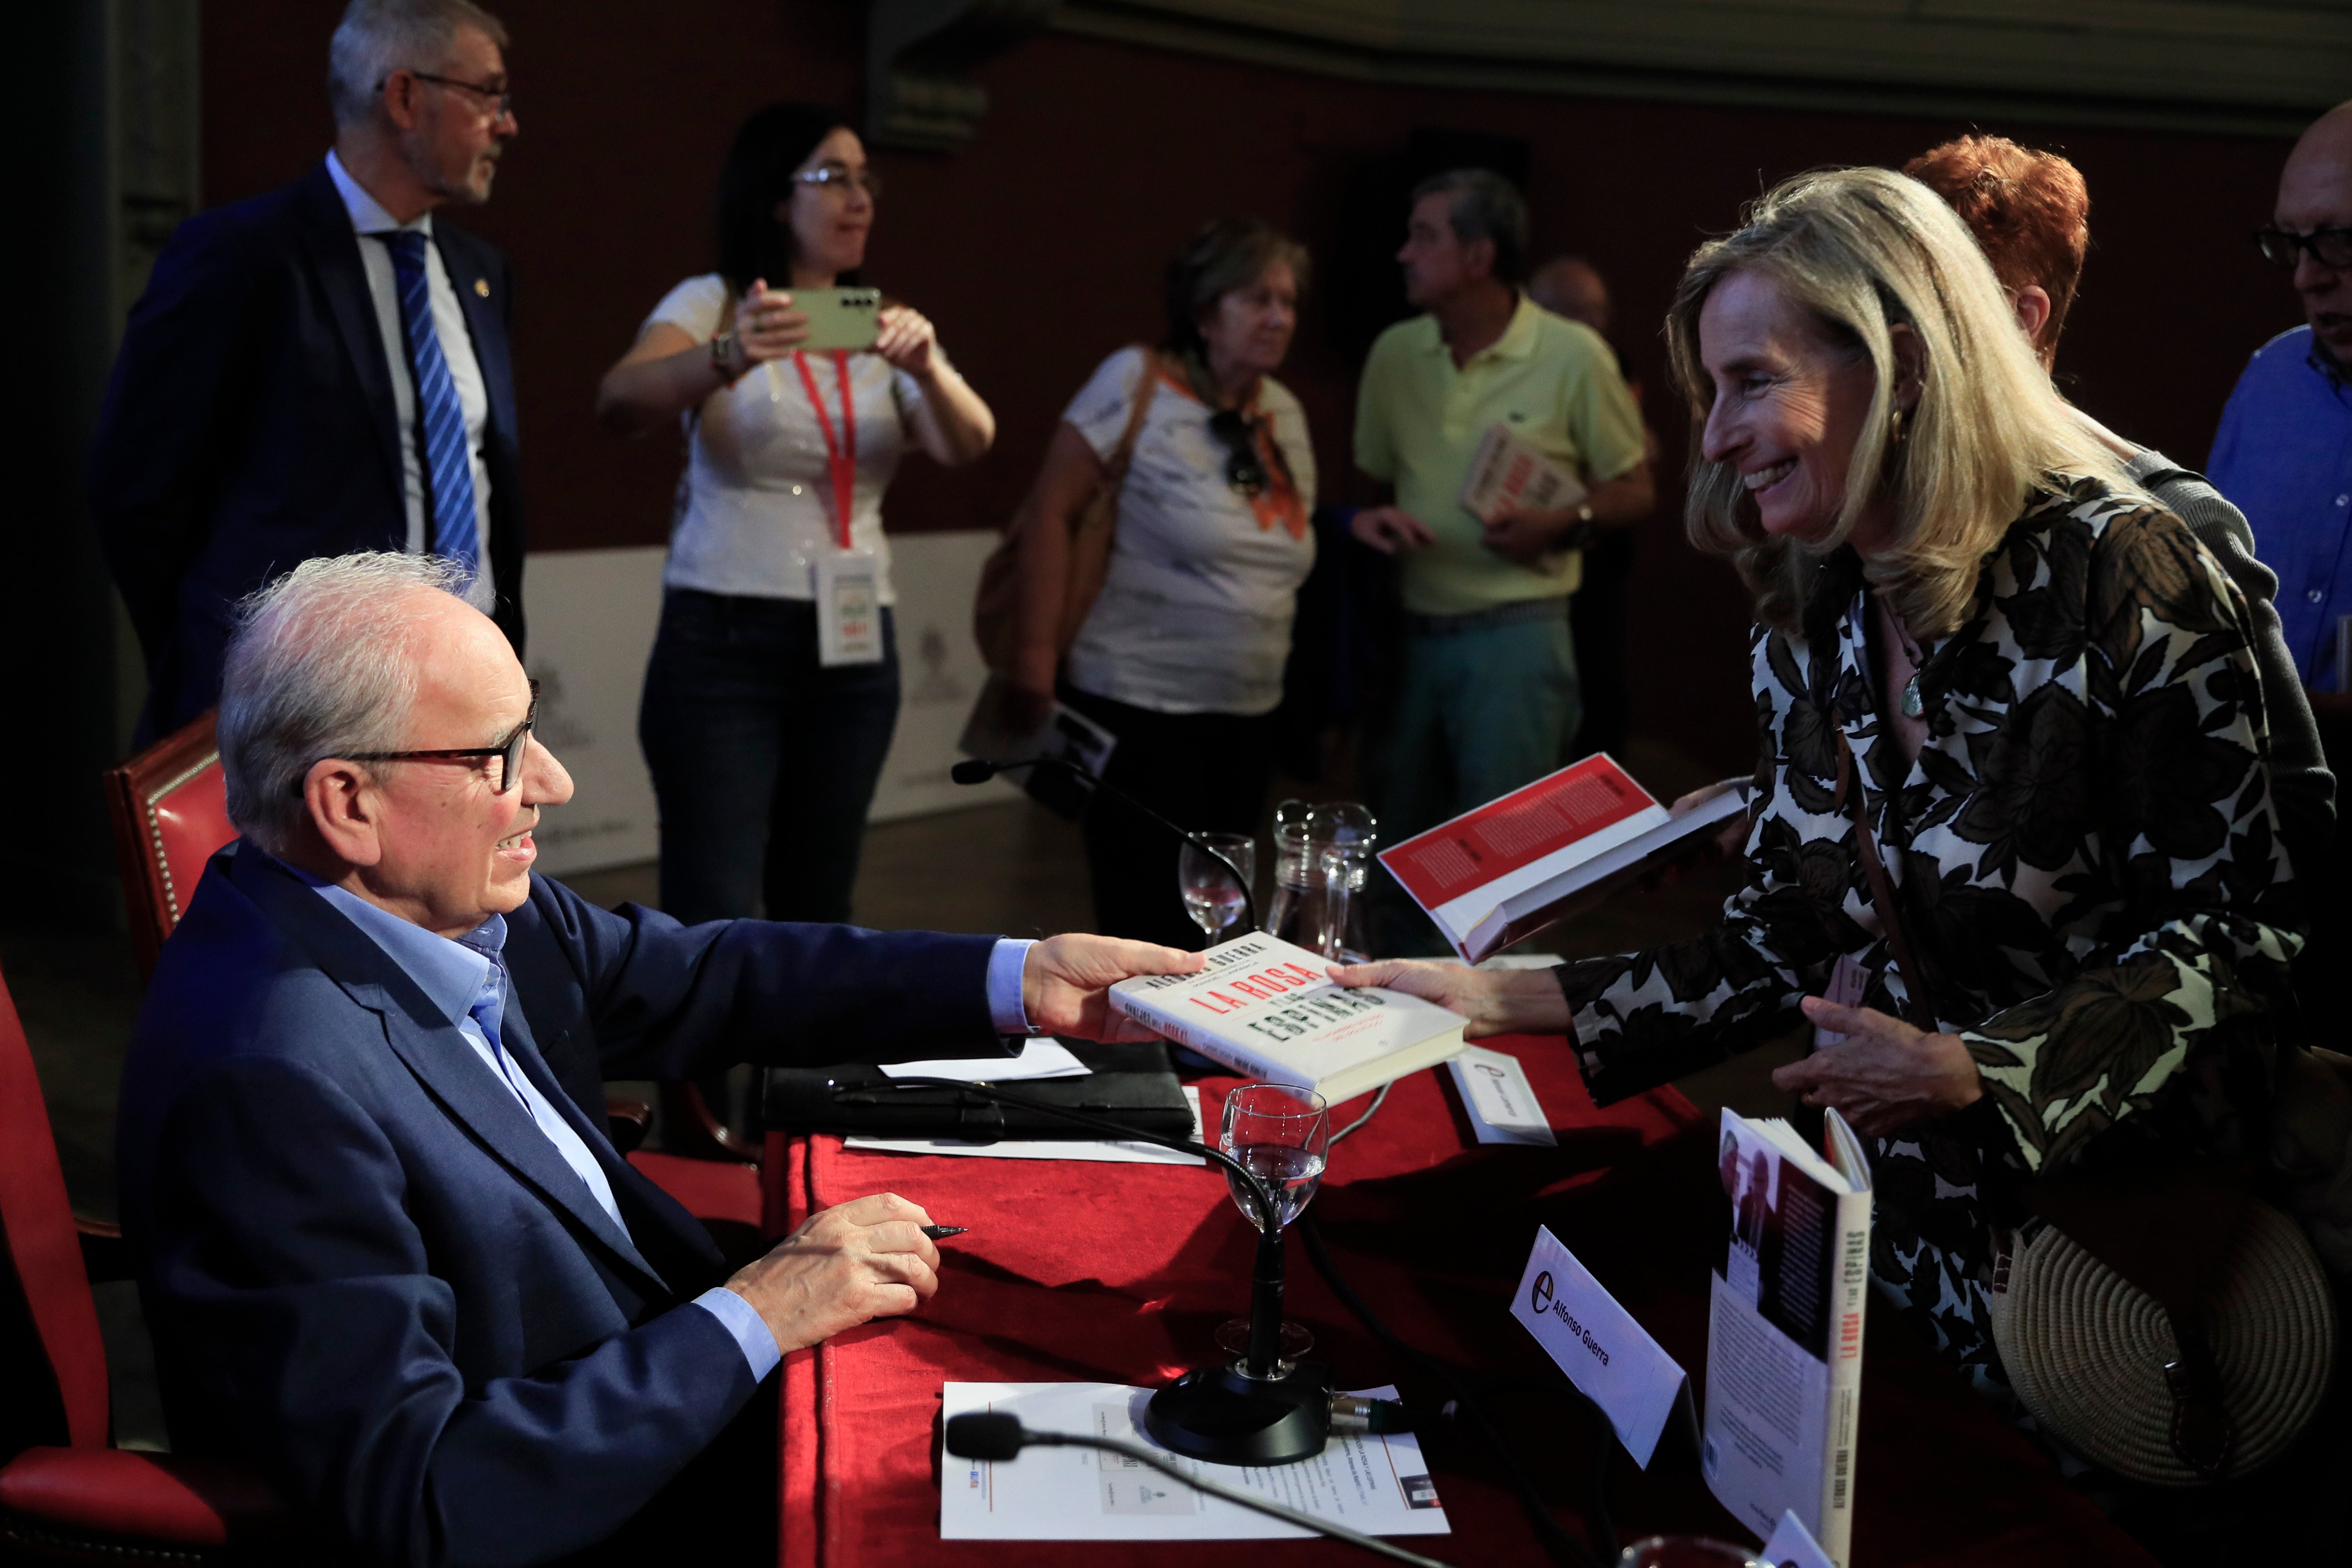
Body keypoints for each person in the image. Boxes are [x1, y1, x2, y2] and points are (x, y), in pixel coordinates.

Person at [1340, 168, 2301, 1414]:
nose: (1719, 436)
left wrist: (1978, 1071)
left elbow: (2247, 936)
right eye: (1711, 391)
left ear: (1901, 362)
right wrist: (1494, 995)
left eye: (1749, 380)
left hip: (2108, 1270)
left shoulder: (2130, 566)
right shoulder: (1816, 600)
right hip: (1892, 1238)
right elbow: (1779, 945)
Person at [116, 552, 1195, 1567]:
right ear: (347, 802)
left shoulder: (444, 903)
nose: (553, 781)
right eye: (499, 753)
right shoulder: (268, 1083)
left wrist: (1022, 978)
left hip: (670, 1356)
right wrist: (760, 1310)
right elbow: (430, 1491)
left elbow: (711, 975)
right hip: (614, 1498)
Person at [596, 104, 995, 926]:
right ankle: (702, 1060)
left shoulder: (877, 322)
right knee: (713, 900)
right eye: (832, 177)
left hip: (854, 639)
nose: (860, 199)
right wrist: (730, 353)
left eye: (865, 181)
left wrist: (927, 366)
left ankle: (799, 1061)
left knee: (819, 896)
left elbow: (968, 442)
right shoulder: (715, 302)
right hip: (725, 634)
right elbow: (619, 401)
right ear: (777, 199)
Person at [1905, 133, 2332, 885]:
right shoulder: (1898, 509)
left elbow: (2279, 820)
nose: (1881, 347)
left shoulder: (2164, 523)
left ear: (2021, 317)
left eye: (1910, 312)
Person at [91, 0, 526, 738]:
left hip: (459, 694)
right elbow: (138, 490)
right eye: (488, 94)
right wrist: (221, 656)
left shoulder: (480, 273)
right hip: (298, 711)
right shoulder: (241, 257)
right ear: (404, 96)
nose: (506, 123)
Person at [1351, 171, 1653, 950]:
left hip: (1517, 640)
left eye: (1424, 236)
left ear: (1478, 254)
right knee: (1390, 864)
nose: (1402, 254)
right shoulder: (1393, 353)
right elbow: (1377, 480)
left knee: (1507, 876)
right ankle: (1382, 1043)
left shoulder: (1572, 354)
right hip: (1408, 637)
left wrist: (1563, 520)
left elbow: (1633, 488)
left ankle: (1489, 1054)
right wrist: (1372, 524)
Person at [1003, 218, 1317, 947]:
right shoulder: (1133, 381)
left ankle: (1199, 1063)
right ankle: (1141, 1058)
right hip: (1136, 707)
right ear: (1205, 314)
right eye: (1257, 299)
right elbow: (1052, 510)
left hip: (1246, 711)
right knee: (1143, 925)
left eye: (1288, 301)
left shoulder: (1284, 412)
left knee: (1222, 926)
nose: (1279, 318)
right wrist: (1034, 655)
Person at [2208, 102, 2352, 972]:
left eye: (2337, 242)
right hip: (2252, 846)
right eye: (2290, 244)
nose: (2306, 276)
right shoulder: (2269, 381)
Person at [1526, 254, 1661, 763]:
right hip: (1528, 562)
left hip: (1598, 555)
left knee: (1599, 685)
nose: (1594, 327)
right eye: (1577, 314)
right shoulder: (1524, 365)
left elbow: (1642, 452)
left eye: (1601, 313)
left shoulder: (1612, 364)